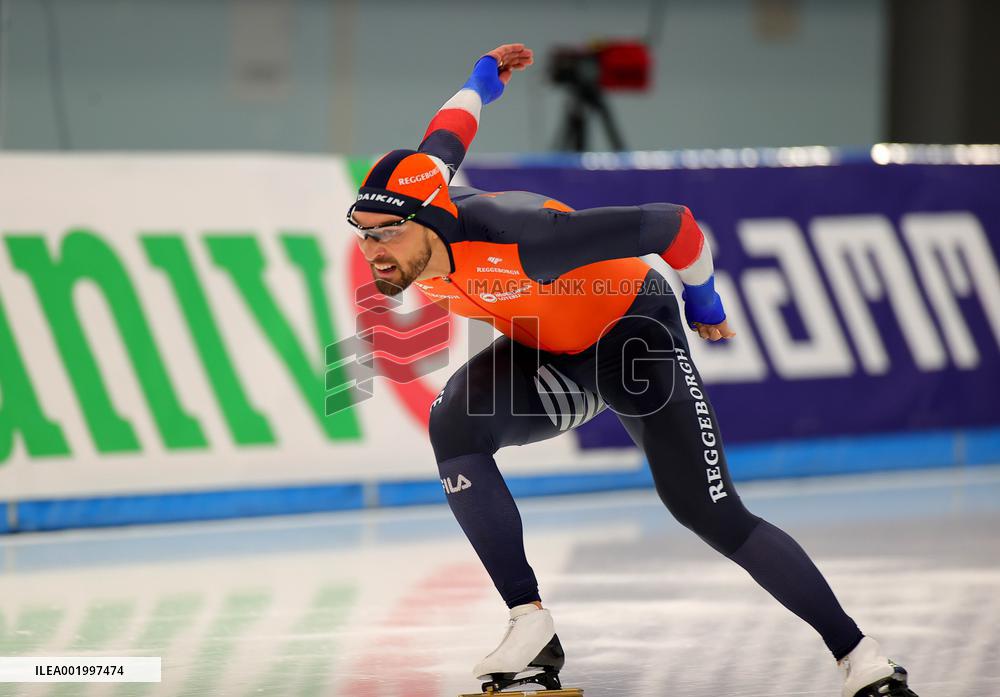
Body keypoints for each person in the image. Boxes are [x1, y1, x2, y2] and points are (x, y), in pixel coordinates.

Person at [344, 43, 918, 697]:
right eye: (362, 232)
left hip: (631, 336)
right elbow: (445, 135)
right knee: (455, 424)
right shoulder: (423, 192)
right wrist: (481, 81)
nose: (372, 250)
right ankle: (529, 625)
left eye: (386, 234)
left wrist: (704, 300)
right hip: (548, 346)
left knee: (710, 511)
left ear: (429, 220)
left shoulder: (528, 239)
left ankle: (862, 658)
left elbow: (674, 225)